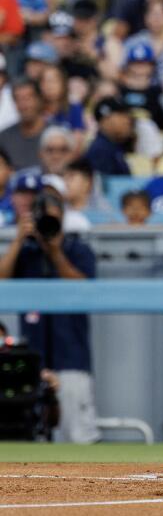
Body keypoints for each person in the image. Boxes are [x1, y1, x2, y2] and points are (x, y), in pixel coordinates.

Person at [0, 177, 99, 443]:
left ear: (64, 217)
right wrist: (19, 240)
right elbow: (2, 281)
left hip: (71, 356)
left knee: (77, 434)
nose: (48, 227)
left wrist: (55, 252)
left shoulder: (78, 249)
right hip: (33, 359)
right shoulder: (27, 251)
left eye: (53, 220)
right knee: (32, 434)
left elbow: (85, 289)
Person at [0, 82, 45, 171]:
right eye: (18, 99)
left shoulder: (55, 134)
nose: (24, 105)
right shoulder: (3, 138)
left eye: (28, 98)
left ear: (39, 99)